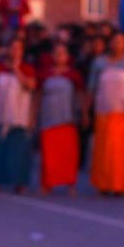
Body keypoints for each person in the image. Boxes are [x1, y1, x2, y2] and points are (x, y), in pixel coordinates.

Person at [84, 32, 124, 196]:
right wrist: (85, 111)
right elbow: (91, 88)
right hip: (104, 111)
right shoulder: (99, 63)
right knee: (105, 148)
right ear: (110, 44)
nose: (117, 44)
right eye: (114, 41)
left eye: (121, 42)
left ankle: (121, 185)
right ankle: (103, 183)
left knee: (123, 150)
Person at [0, 38, 37, 193]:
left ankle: (19, 183)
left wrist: (16, 69)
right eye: (12, 48)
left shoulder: (27, 69)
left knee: (19, 151)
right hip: (0, 115)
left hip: (19, 117)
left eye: (18, 48)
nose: (15, 51)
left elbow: (30, 86)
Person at [36, 42, 84, 195]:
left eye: (62, 53)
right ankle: (47, 183)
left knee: (68, 154)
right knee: (49, 154)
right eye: (56, 53)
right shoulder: (45, 74)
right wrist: (34, 114)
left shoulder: (73, 75)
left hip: (67, 117)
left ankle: (70, 183)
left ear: (67, 56)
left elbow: (80, 94)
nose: (59, 56)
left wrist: (82, 113)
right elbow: (37, 95)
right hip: (48, 117)